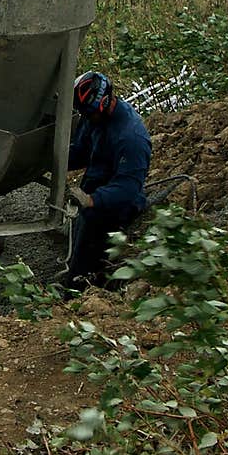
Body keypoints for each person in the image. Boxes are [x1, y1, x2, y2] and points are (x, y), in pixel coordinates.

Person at [63, 69, 151, 291]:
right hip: (95, 188)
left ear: (105, 102)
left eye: (90, 114)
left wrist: (92, 200)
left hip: (117, 206)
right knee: (79, 236)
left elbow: (128, 187)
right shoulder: (92, 117)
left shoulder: (131, 137)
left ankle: (76, 296)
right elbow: (81, 152)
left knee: (85, 262)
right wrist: (53, 160)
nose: (87, 118)